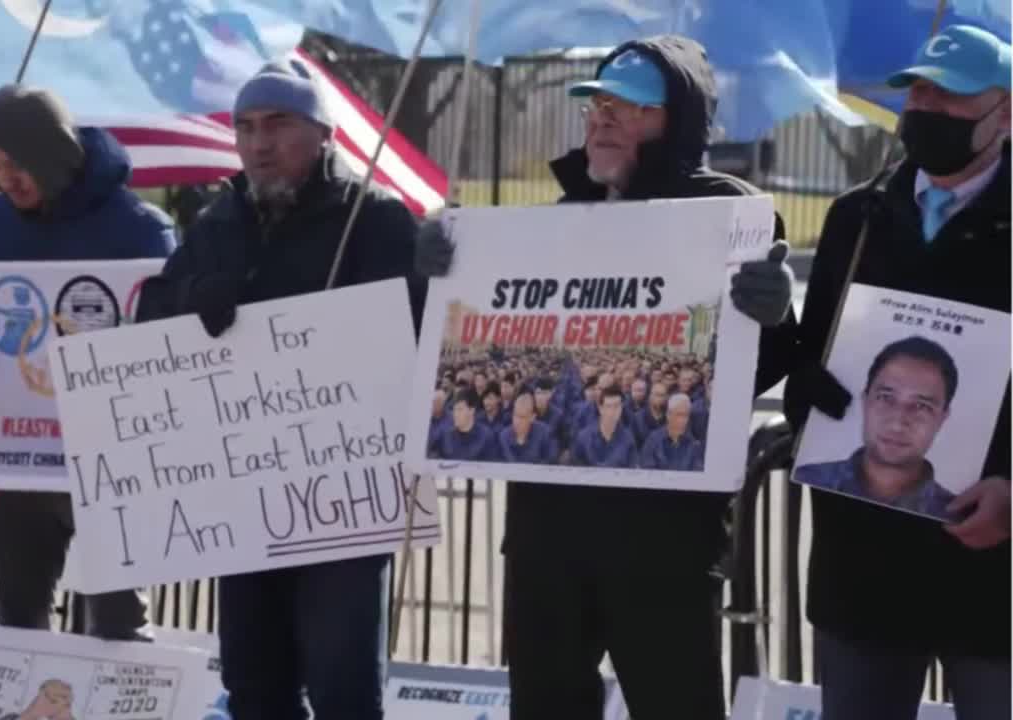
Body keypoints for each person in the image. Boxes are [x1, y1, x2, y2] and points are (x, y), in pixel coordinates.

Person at [416, 35, 797, 719]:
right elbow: (476, 345)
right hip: (546, 538)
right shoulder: (558, 223)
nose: (602, 118)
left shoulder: (726, 215)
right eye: (596, 105)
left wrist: (773, 316)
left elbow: (752, 370)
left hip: (661, 546)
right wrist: (441, 280)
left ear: (674, 120)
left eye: (629, 107)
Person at [132, 60, 425, 719]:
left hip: (343, 496)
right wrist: (190, 299)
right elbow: (147, 316)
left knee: (341, 686)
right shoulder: (218, 222)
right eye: (245, 128)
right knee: (255, 684)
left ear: (322, 134)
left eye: (279, 125)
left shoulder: (374, 219)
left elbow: (417, 331)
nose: (259, 143)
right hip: (244, 496)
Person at [0, 83, 175, 641]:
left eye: (18, 165)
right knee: (18, 616)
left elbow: (171, 337)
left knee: (115, 621)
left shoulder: (141, 228)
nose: (6, 180)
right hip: (20, 460)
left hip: (112, 463)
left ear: (53, 154)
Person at [783, 24, 1010, 720]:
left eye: (952, 97)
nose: (927, 108)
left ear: (1005, 114)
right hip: (865, 570)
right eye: (918, 90)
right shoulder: (857, 216)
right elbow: (811, 365)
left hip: (992, 574)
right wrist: (807, 395)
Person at [796, 336, 959, 519]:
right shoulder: (802, 479)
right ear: (865, 401)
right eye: (886, 398)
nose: (897, 424)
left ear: (943, 418)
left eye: (922, 406)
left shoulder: (959, 515)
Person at [571, 386, 637, 468]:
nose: (613, 411)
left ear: (621, 408)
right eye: (609, 406)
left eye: (617, 406)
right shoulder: (584, 437)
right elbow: (575, 469)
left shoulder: (628, 438)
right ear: (600, 408)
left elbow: (631, 470)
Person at [498, 392, 559, 464]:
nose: (517, 421)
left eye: (522, 417)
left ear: (532, 417)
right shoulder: (504, 436)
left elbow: (551, 461)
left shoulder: (545, 434)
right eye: (515, 415)